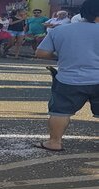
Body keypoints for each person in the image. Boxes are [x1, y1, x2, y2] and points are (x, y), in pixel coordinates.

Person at [34, 0, 99, 151]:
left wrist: (61, 55)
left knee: (60, 111)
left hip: (69, 79)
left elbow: (41, 53)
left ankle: (54, 142)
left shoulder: (61, 30)